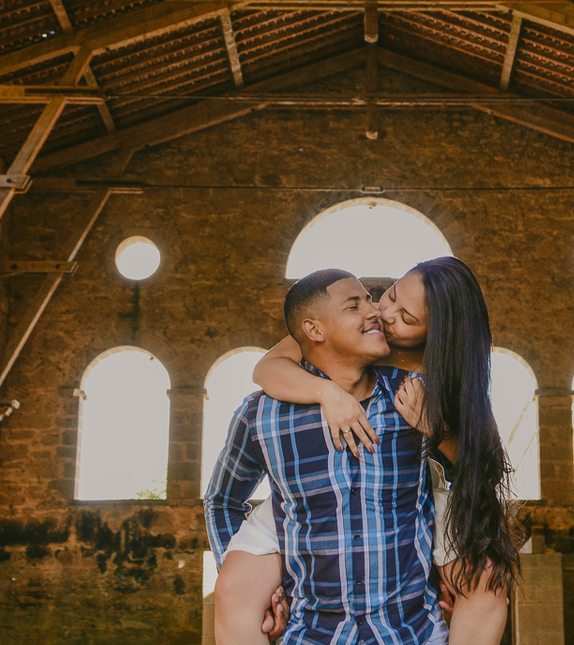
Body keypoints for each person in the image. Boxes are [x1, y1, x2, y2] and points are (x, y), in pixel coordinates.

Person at [215, 256, 519, 645]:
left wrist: (437, 428)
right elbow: (268, 366)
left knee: (484, 576)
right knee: (236, 588)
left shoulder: (430, 377)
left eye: (406, 319)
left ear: (436, 334)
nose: (383, 313)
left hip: (424, 484)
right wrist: (327, 393)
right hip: (306, 494)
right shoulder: (335, 339)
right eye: (388, 295)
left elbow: (482, 465)